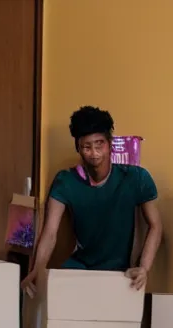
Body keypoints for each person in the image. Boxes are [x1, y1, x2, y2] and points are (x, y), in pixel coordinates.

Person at [21, 106, 162, 292]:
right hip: (80, 268)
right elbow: (50, 232)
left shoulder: (136, 178)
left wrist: (144, 268)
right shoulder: (65, 181)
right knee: (53, 295)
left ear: (110, 144)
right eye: (87, 147)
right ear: (77, 147)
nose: (94, 153)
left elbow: (156, 225)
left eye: (99, 144)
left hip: (120, 273)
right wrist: (37, 269)